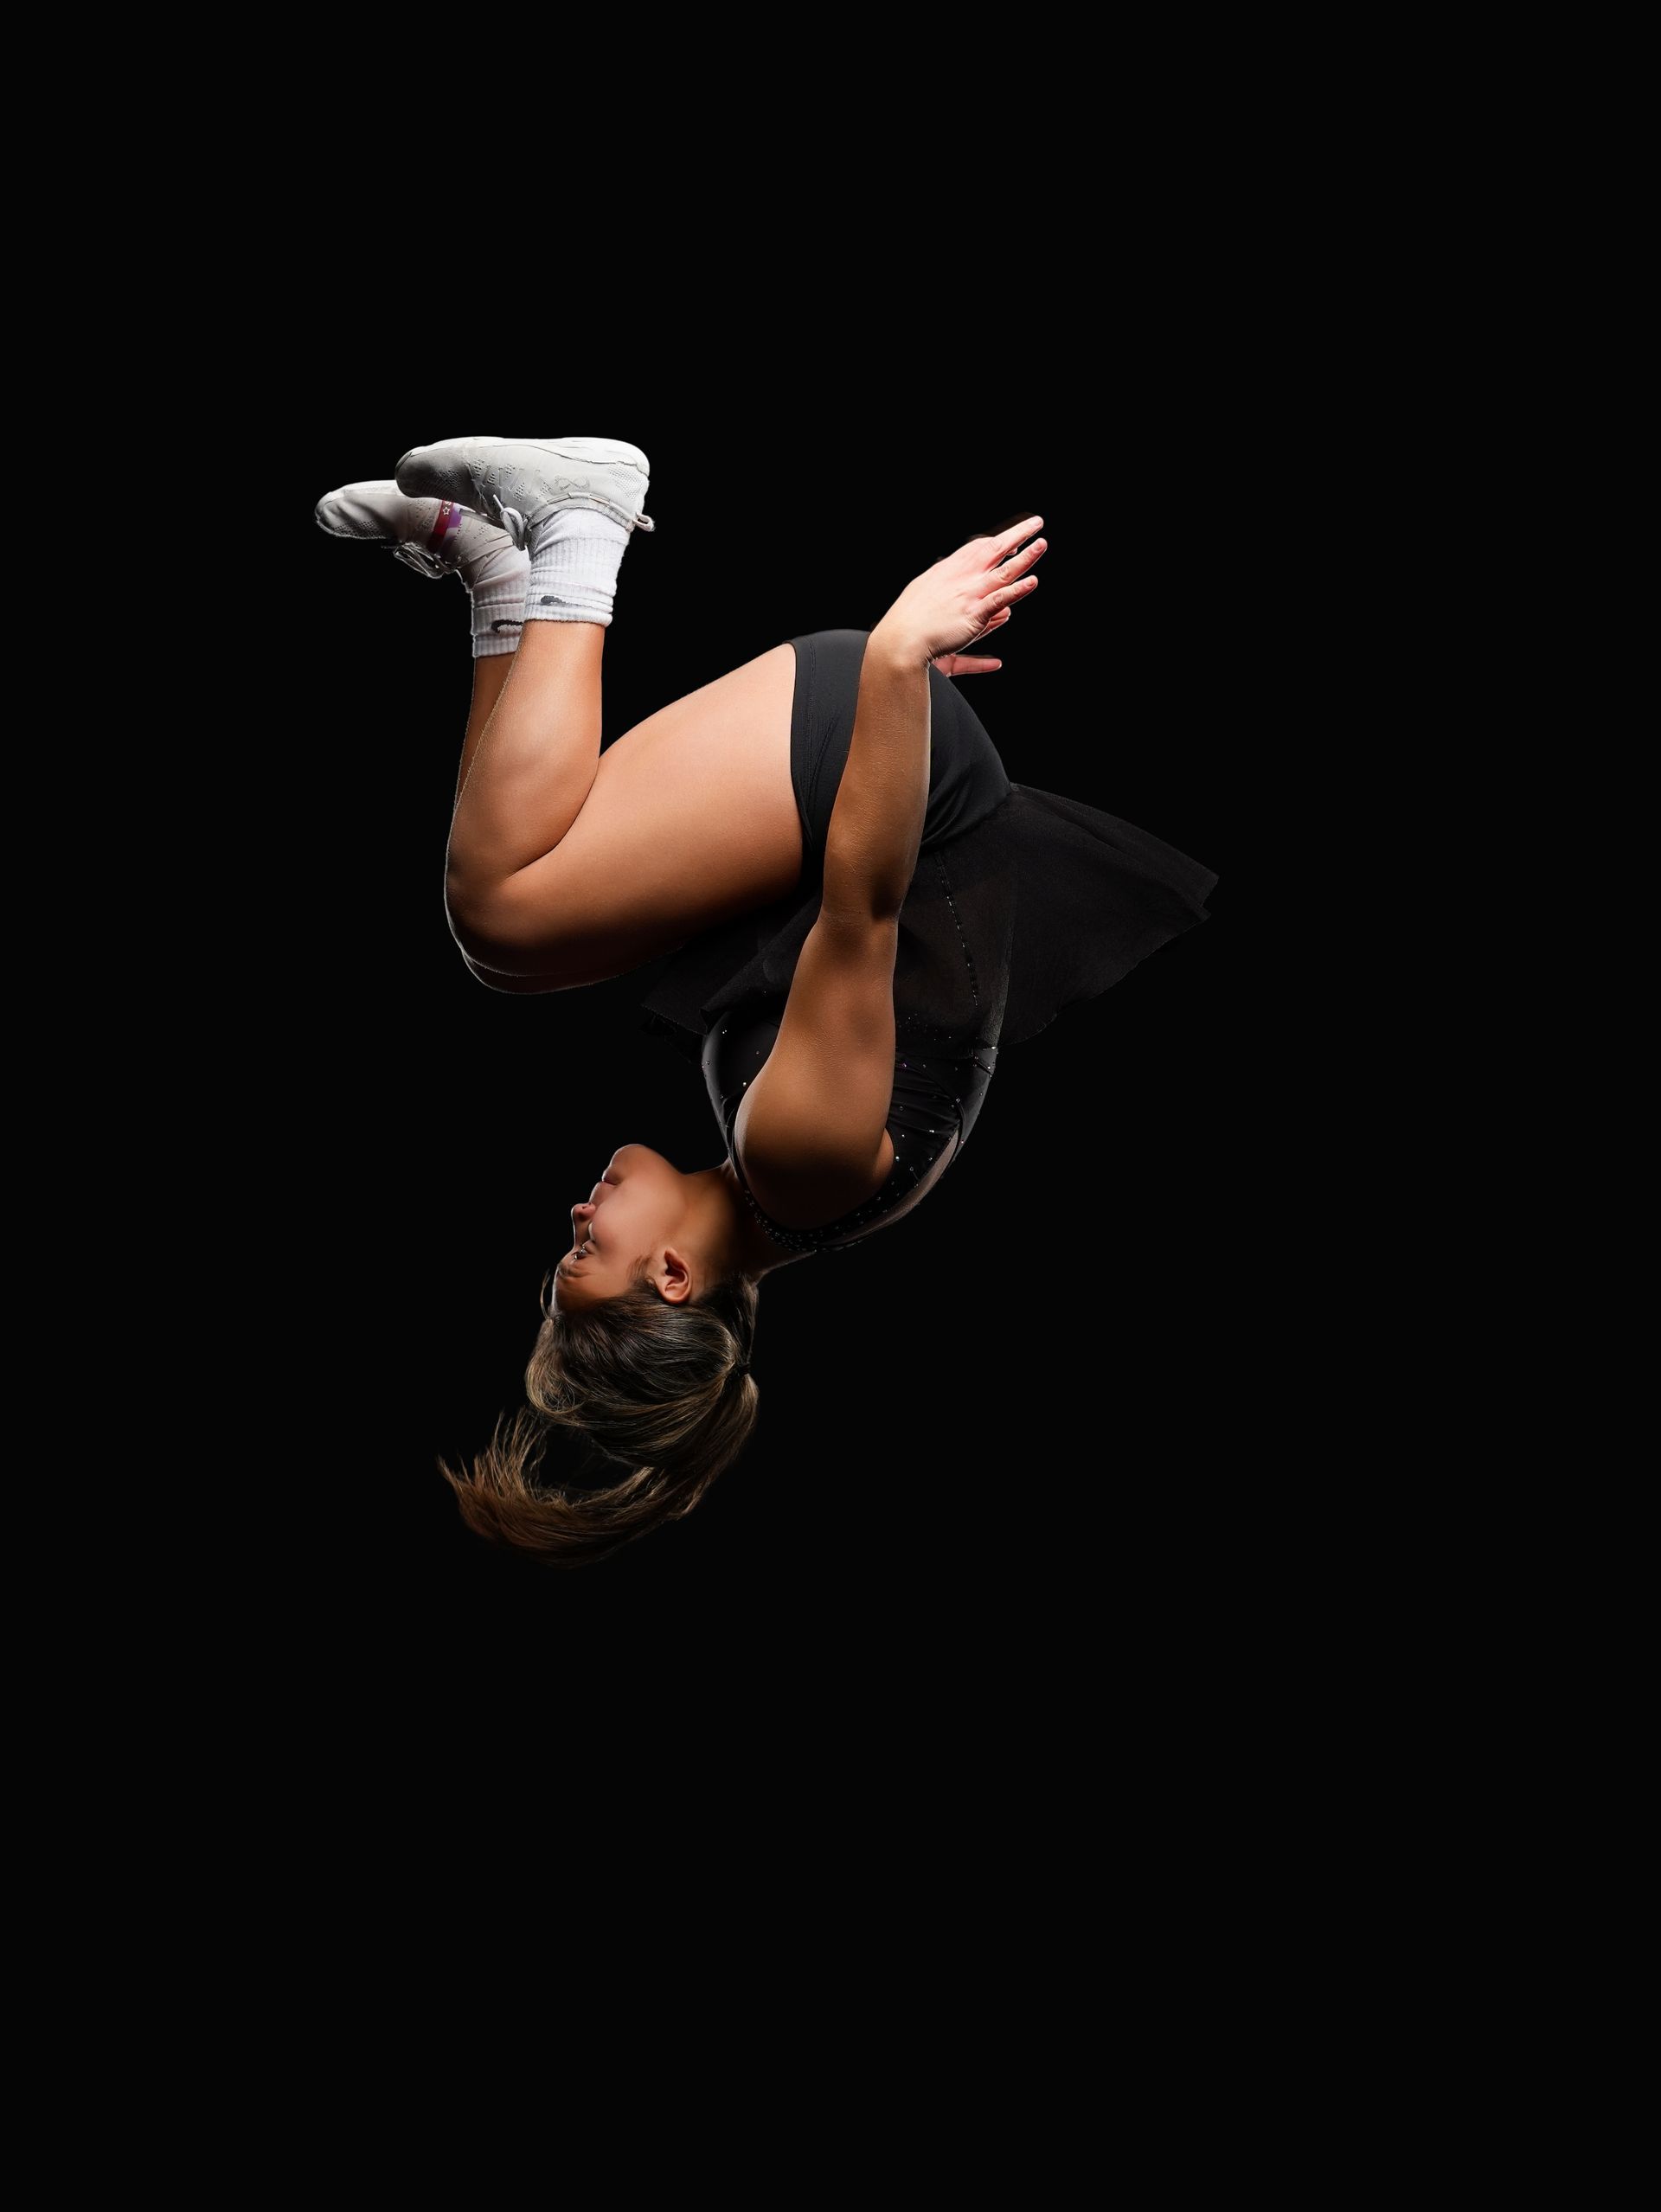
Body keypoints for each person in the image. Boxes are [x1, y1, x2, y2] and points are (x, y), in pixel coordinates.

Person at [316, 435, 1217, 1568]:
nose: (578, 1220)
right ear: (675, 1276)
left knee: (508, 950)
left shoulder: (784, 1192)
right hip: (873, 769)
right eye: (583, 1262)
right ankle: (579, 529)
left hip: (879, 787)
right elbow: (865, 906)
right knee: (503, 910)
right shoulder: (802, 1157)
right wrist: (895, 664)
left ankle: (495, 567)